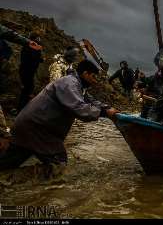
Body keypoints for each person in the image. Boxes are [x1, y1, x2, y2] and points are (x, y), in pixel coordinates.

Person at [0, 60, 119, 171]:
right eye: (93, 77)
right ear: (85, 73)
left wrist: (107, 108)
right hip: (39, 129)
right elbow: (78, 108)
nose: (95, 81)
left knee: (7, 165)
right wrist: (104, 112)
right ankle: (43, 189)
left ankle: (17, 185)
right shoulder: (69, 83)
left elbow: (90, 101)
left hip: (29, 126)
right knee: (58, 167)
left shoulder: (76, 85)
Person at [1, 24, 42, 153]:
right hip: (27, 73)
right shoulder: (30, 48)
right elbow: (9, 34)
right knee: (27, 92)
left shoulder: (27, 47)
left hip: (26, 73)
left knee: (27, 92)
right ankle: (21, 114)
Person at [17, 32, 44, 111]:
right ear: (35, 38)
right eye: (38, 38)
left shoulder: (27, 45)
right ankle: (22, 109)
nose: (39, 40)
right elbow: (33, 58)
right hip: (28, 71)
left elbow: (31, 57)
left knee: (26, 89)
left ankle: (22, 108)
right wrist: (40, 58)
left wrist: (40, 59)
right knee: (27, 90)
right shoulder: (32, 46)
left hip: (25, 70)